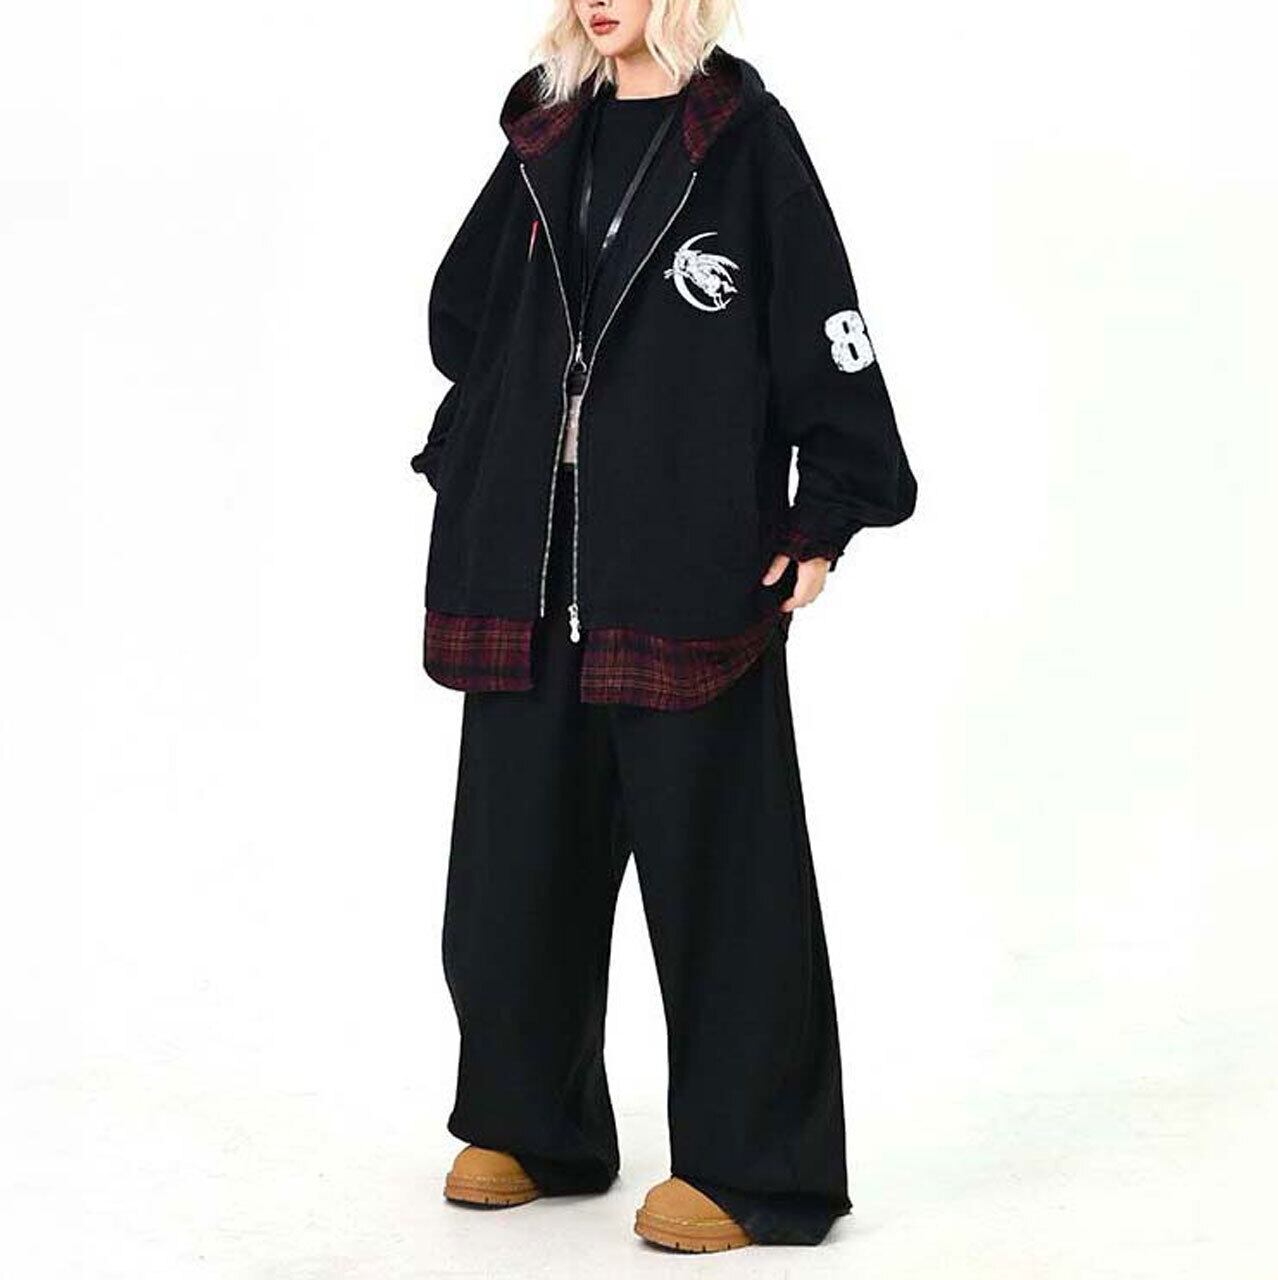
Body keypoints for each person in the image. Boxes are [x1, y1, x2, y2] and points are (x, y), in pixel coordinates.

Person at [411, 0, 917, 1252]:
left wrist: (824, 510)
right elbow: (465, 315)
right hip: (530, 561)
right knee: (512, 865)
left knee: (726, 878)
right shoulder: (546, 131)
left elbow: (823, 324)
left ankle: (756, 1168)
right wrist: (481, 444)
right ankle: (531, 1123)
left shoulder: (743, 140)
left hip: (688, 564)